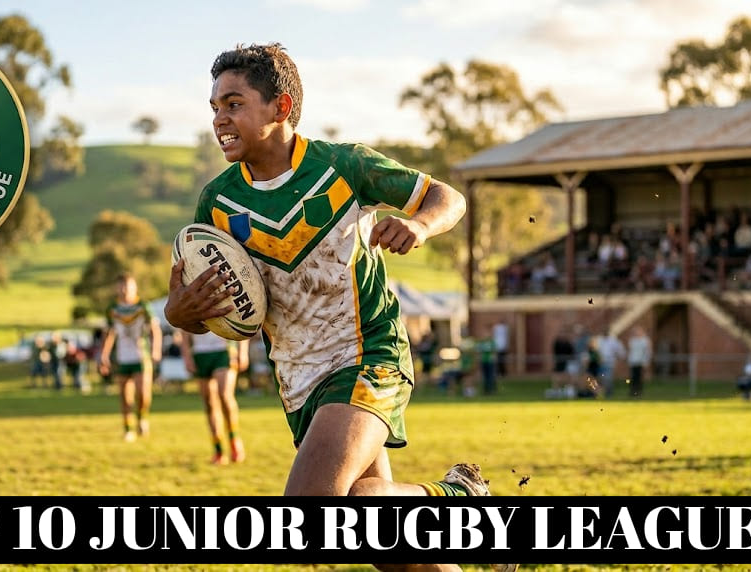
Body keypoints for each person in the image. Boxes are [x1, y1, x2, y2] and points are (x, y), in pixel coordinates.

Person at [165, 44, 516, 572]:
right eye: (214, 107)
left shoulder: (344, 165)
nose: (220, 119)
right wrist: (181, 312)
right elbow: (192, 306)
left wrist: (420, 224)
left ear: (280, 107)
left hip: (367, 356)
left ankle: (458, 498)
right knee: (382, 529)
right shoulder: (216, 203)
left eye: (233, 104)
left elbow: (447, 197)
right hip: (298, 383)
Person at [101, 274, 162, 442]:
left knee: (143, 394)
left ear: (134, 287)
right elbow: (109, 333)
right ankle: (128, 428)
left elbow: (155, 329)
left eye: (127, 286)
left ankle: (142, 418)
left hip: (141, 356)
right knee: (124, 396)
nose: (124, 289)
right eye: (121, 286)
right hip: (122, 358)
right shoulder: (112, 308)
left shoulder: (143, 306)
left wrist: (156, 350)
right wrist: (104, 355)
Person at [181, 330, 249, 464]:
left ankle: (234, 441)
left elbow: (242, 319)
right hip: (200, 353)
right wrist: (186, 356)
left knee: (224, 395)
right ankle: (218, 449)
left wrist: (243, 350)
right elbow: (184, 328)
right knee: (209, 402)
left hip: (224, 350)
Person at [597, 330, 626, 398]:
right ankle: (601, 393)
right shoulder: (599, 340)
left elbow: (621, 352)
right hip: (600, 363)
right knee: (601, 378)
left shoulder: (614, 341)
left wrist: (618, 359)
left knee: (608, 378)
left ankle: (609, 393)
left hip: (609, 362)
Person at [626, 326, 652, 398]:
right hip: (633, 361)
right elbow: (630, 351)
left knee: (639, 377)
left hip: (641, 361)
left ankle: (639, 391)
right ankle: (632, 391)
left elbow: (648, 351)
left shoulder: (645, 340)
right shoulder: (632, 340)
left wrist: (646, 361)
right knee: (633, 377)